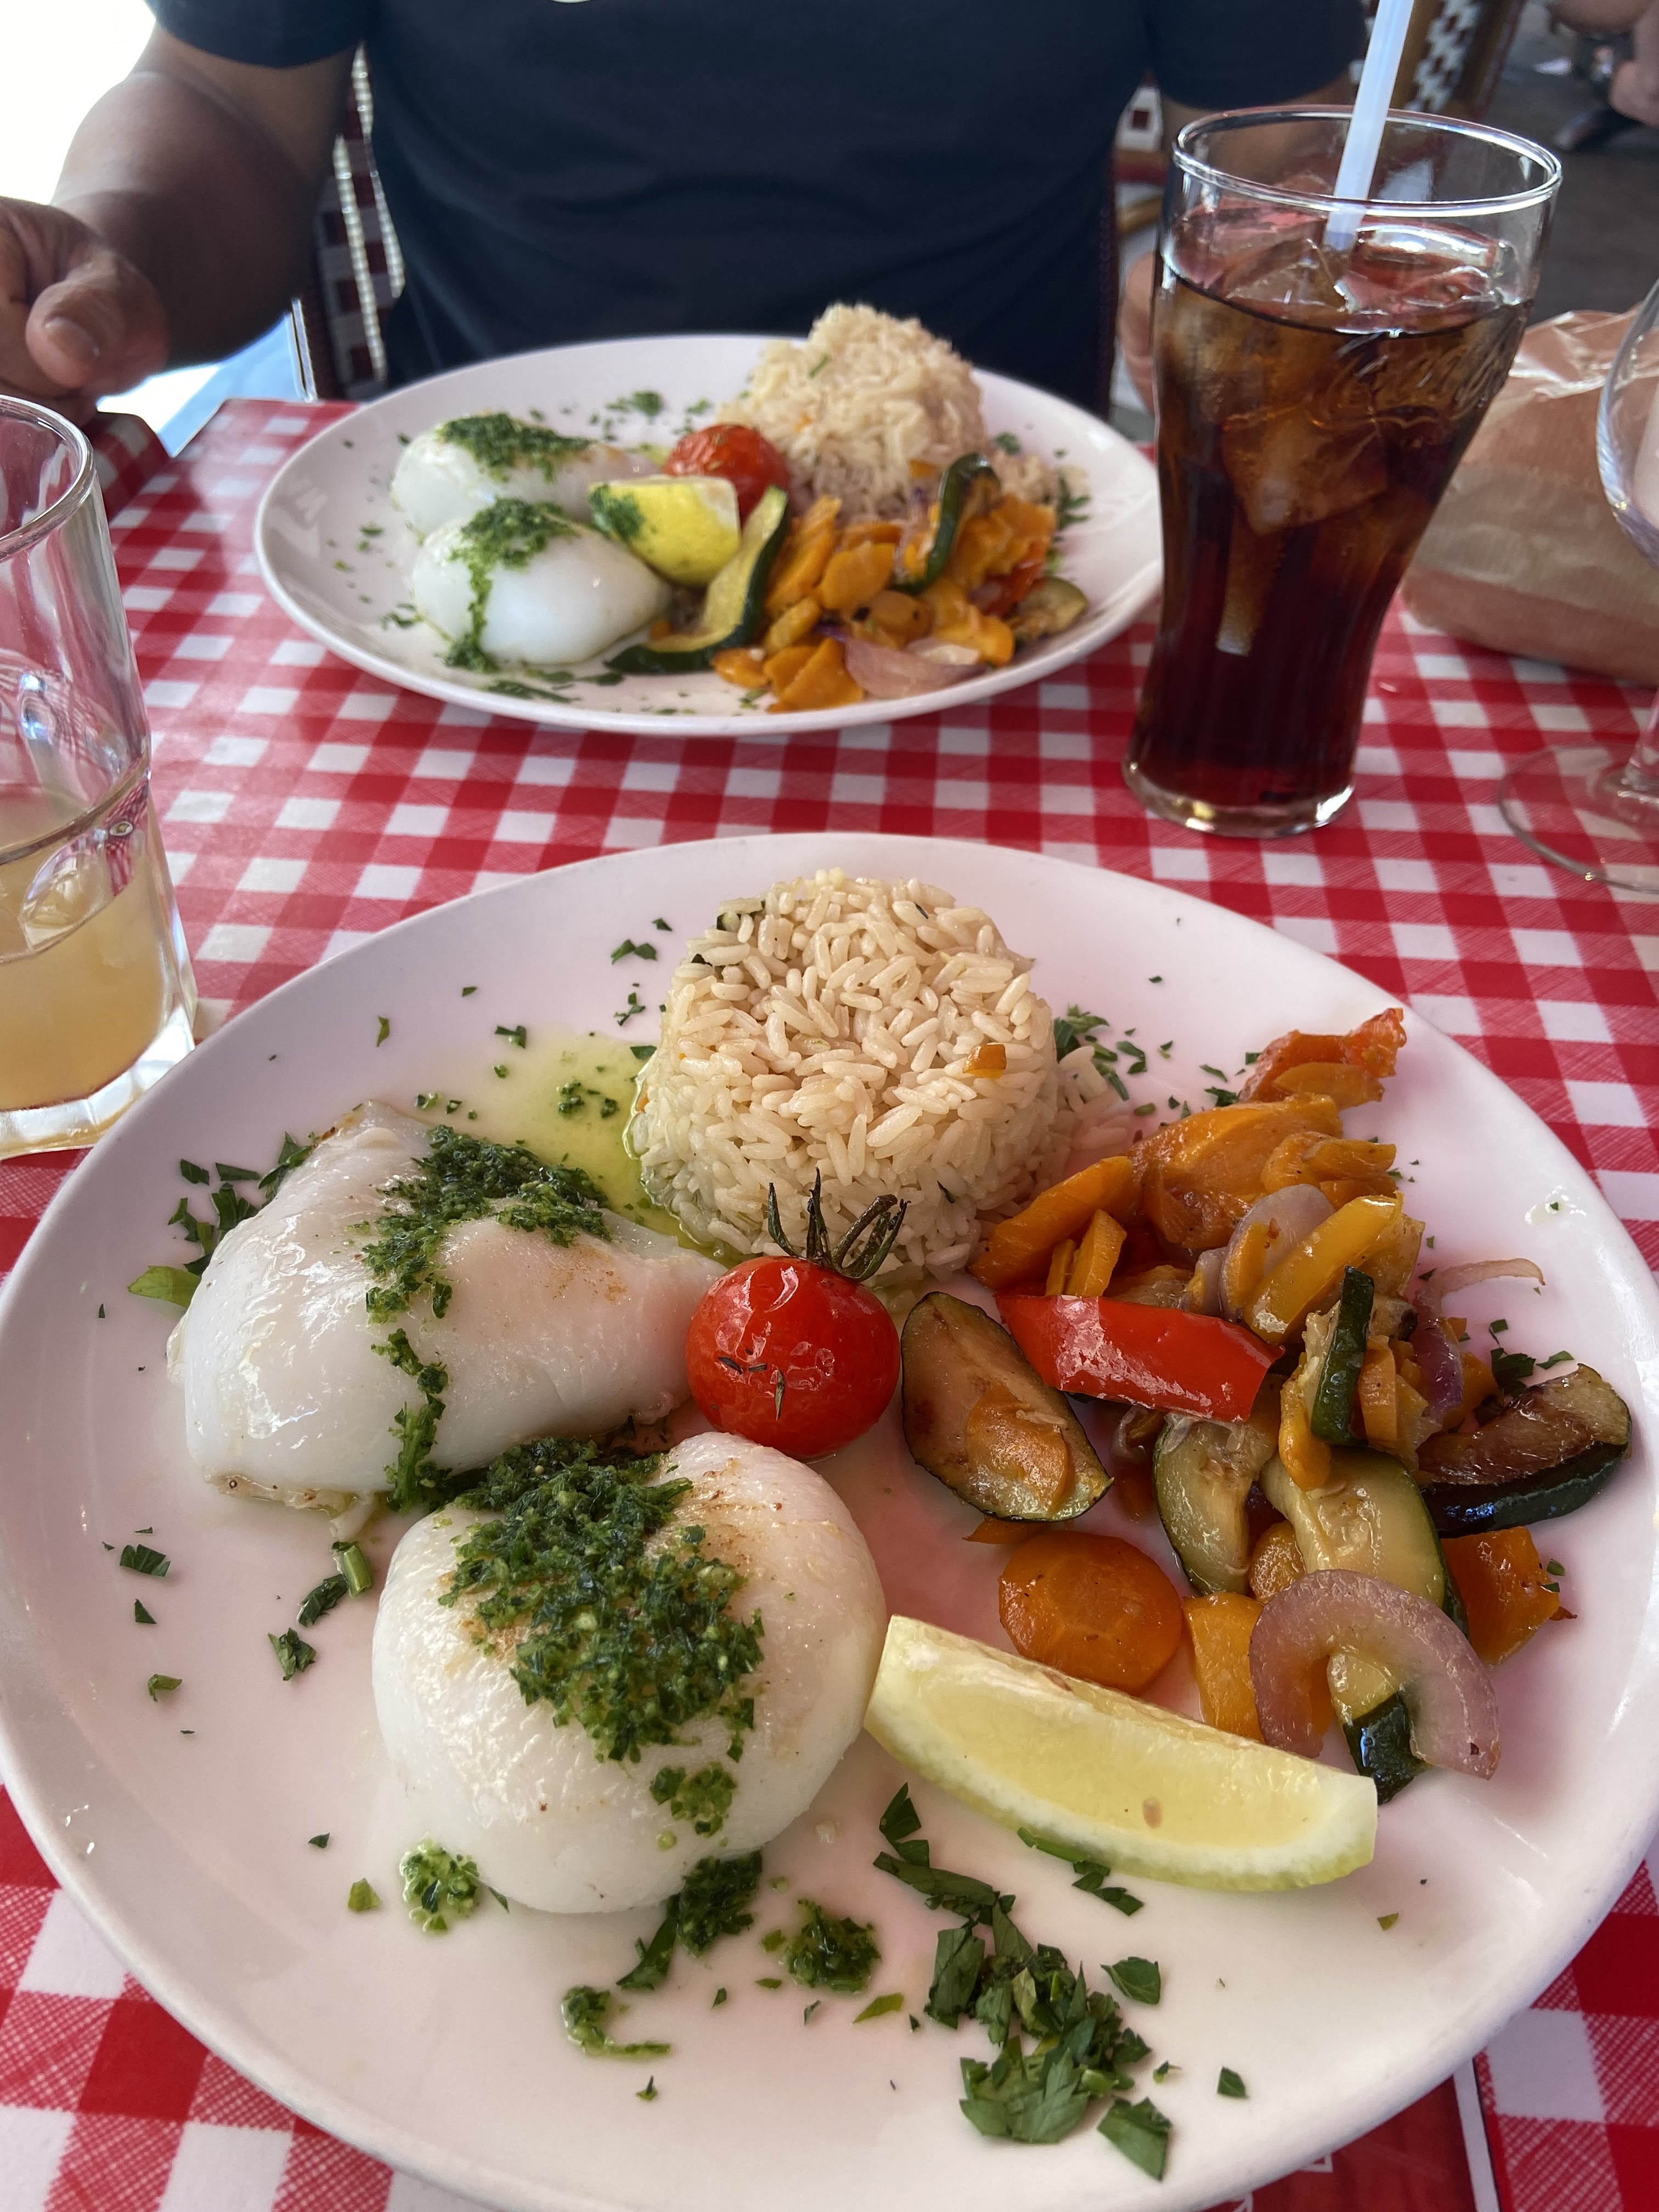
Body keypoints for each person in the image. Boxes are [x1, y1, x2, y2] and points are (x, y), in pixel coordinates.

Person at [2, 3, 1360, 428]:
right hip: (478, 521)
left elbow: (1277, 138)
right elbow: (226, 97)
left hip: (998, 524)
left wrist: (1267, 253)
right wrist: (110, 256)